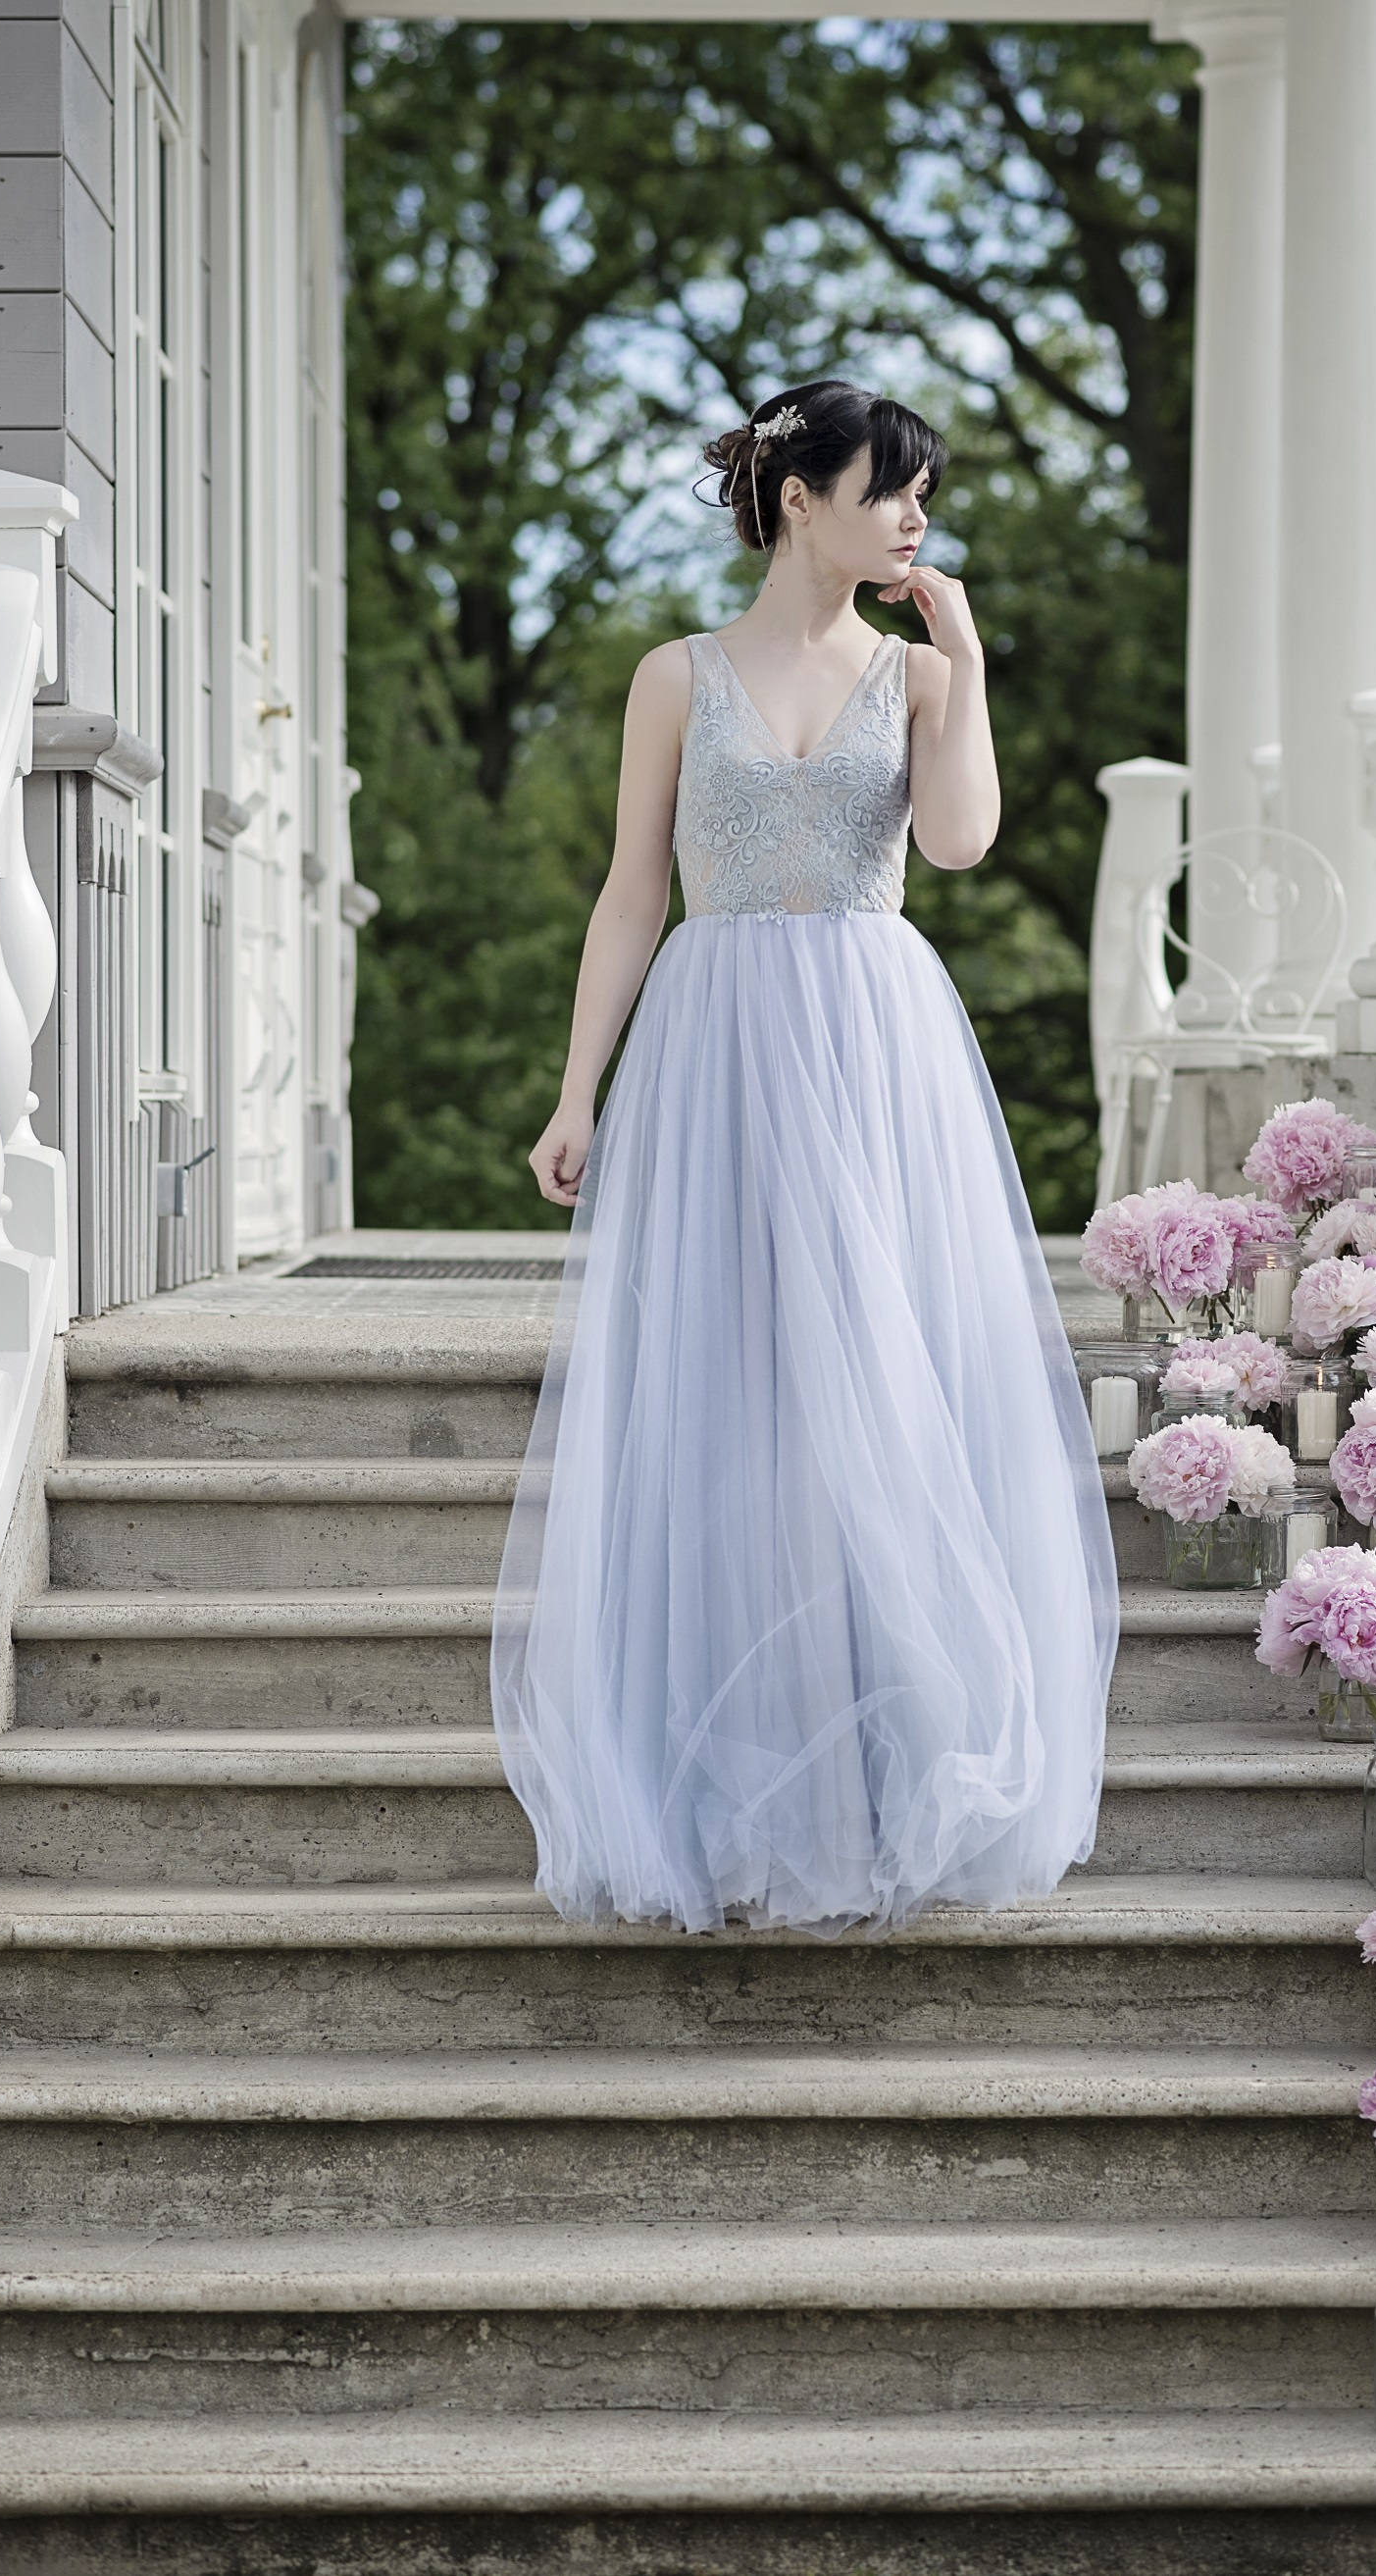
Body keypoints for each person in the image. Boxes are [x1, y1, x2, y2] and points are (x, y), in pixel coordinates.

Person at [490, 378, 1118, 1935]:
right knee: (731, 1393)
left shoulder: (912, 671)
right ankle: (725, 1786)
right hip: (712, 1048)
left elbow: (961, 845)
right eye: (890, 486)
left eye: (923, 491)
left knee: (887, 1390)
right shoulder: (672, 676)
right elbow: (633, 893)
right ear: (798, 499)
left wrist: (965, 665)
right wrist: (580, 1090)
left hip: (872, 1041)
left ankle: (896, 1766)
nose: (915, 515)